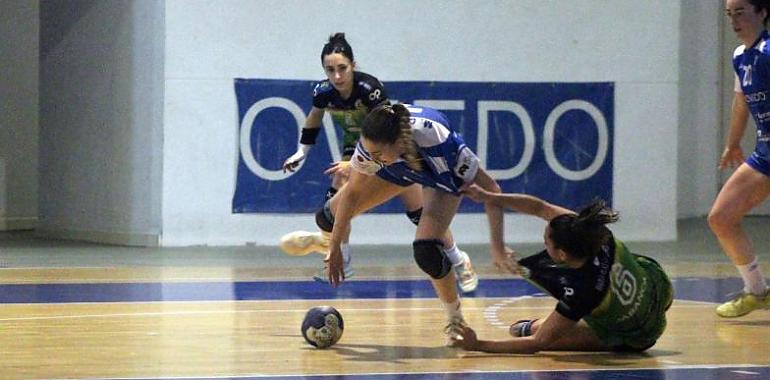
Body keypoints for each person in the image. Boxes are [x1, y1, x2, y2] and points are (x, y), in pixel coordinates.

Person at [278, 33, 480, 291]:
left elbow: (385, 135)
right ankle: (339, 254)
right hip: (360, 155)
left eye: (342, 68)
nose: (337, 76)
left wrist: (353, 164)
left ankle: (459, 260)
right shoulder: (323, 92)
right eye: (330, 70)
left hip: (393, 157)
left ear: (354, 65)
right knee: (330, 213)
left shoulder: (370, 90)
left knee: (422, 216)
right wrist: (302, 152)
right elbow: (314, 117)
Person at [319, 103, 508, 343]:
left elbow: (493, 191)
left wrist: (498, 247)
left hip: (435, 177)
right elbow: (353, 193)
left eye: (375, 154)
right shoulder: (375, 148)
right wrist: (334, 246)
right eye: (367, 151)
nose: (370, 157)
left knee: (426, 251)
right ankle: (454, 256)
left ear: (398, 143)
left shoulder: (438, 139)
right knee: (327, 217)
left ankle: (455, 318)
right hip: (396, 169)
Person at [449, 186, 673, 354]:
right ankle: (550, 325)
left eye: (547, 242)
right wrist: (491, 197)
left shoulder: (582, 291)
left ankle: (545, 326)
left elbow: (537, 345)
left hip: (640, 333)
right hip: (659, 286)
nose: (543, 242)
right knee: (530, 331)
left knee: (537, 336)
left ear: (562, 254)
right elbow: (540, 208)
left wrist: (478, 345)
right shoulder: (594, 233)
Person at [709, 0, 770, 318]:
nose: (733, 20)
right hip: (765, 153)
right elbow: (741, 102)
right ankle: (757, 291)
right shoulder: (739, 56)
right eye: (728, 14)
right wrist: (732, 144)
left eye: (740, 12)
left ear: (762, 13)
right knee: (721, 218)